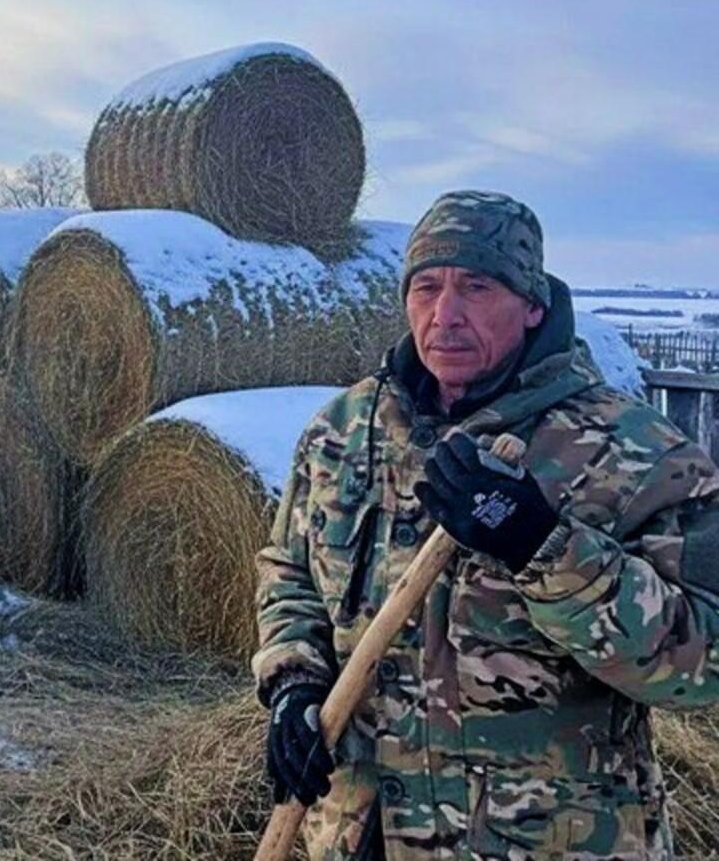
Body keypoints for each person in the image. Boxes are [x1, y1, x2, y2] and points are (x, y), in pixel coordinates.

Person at [254, 190, 719, 860]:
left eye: (476, 286)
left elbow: (703, 666)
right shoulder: (345, 431)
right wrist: (293, 681)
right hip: (361, 833)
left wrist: (544, 548)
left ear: (533, 305)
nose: (445, 315)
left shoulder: (638, 453)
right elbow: (288, 571)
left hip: (549, 839)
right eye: (426, 287)